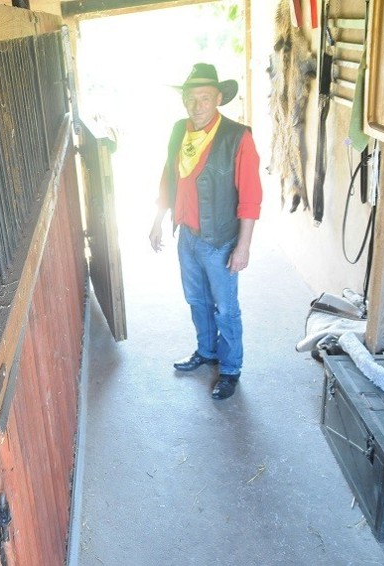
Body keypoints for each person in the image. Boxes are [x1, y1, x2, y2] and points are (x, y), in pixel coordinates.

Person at [149, 63, 262, 401]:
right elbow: (169, 178)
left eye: (204, 98)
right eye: (191, 98)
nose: (197, 105)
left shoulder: (237, 136)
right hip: (188, 236)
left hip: (220, 240)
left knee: (226, 309)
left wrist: (243, 247)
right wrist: (157, 220)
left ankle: (230, 369)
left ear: (218, 99)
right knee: (197, 300)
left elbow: (251, 196)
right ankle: (206, 352)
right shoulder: (178, 130)